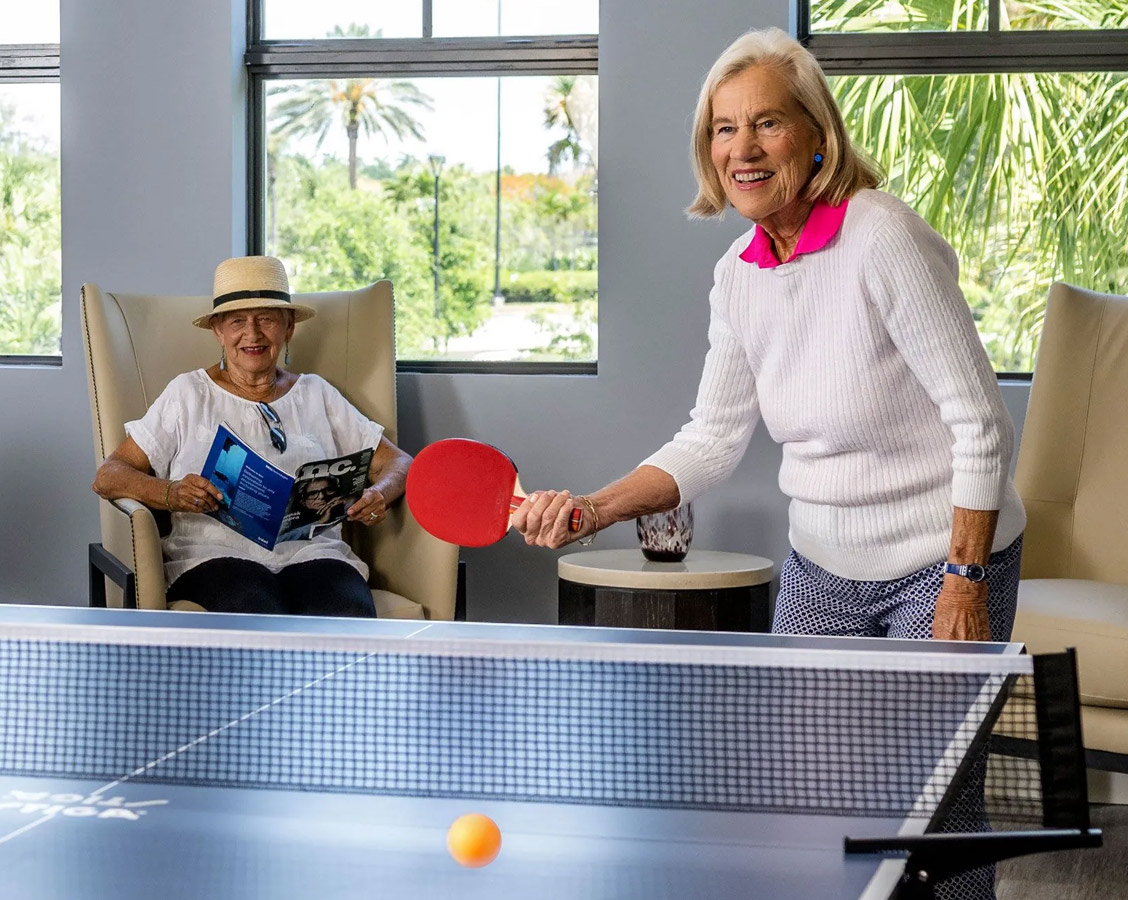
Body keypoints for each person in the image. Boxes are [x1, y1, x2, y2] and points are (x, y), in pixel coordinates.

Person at [511, 27, 1025, 900]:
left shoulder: (882, 237)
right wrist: (595, 508)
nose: (743, 148)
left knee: (933, 806)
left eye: (767, 125)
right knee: (812, 802)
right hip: (823, 563)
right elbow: (712, 437)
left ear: (817, 134)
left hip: (944, 558)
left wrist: (966, 578)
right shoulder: (738, 277)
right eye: (724, 129)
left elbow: (981, 422)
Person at [92, 255, 410, 618]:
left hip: (313, 554)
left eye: (267, 320)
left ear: (288, 327)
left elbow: (399, 462)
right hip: (214, 558)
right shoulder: (188, 393)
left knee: (346, 611)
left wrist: (377, 494)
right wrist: (171, 493)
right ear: (218, 331)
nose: (253, 334)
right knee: (256, 610)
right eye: (237, 321)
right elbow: (109, 475)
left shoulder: (317, 394)